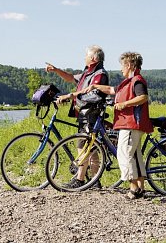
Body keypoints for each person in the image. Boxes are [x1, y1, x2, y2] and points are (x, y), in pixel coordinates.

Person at [81, 52, 153, 199]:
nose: (121, 69)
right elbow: (112, 90)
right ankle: (140, 187)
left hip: (132, 123)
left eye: (122, 65)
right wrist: (95, 85)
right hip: (130, 123)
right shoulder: (128, 81)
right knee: (134, 155)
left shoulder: (137, 80)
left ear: (129, 65)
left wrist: (124, 104)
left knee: (124, 154)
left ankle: (133, 188)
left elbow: (143, 97)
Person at [45, 45, 109, 188]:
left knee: (84, 145)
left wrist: (70, 95)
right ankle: (94, 180)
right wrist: (56, 70)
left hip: (91, 113)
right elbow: (70, 78)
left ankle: (80, 179)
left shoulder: (99, 74)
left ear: (93, 58)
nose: (84, 57)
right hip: (83, 113)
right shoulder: (88, 72)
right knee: (89, 147)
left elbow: (94, 94)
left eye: (86, 55)